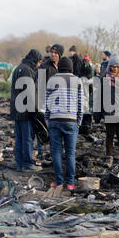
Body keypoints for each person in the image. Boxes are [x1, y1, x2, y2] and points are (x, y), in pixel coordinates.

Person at [45, 57, 84, 190]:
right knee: (70, 153)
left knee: (56, 152)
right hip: (71, 121)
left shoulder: (52, 80)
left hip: (55, 120)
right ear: (71, 67)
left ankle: (59, 182)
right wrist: (79, 120)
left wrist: (47, 119)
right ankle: (71, 183)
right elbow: (81, 103)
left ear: (59, 67)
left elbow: (48, 102)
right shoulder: (77, 81)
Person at [94, 53, 119, 168]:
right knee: (109, 135)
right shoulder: (104, 78)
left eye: (117, 66)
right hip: (108, 111)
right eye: (112, 66)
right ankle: (109, 157)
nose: (114, 68)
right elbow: (99, 97)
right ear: (109, 66)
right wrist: (97, 114)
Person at [10, 49, 43, 172]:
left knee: (19, 138)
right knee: (28, 138)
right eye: (39, 62)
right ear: (34, 60)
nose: (39, 65)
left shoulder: (18, 68)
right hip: (26, 110)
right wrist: (36, 111)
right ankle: (28, 164)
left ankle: (19, 163)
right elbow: (30, 93)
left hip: (17, 109)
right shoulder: (28, 70)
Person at [35, 44, 64, 160]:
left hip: (58, 102)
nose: (53, 54)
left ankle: (54, 153)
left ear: (60, 55)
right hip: (45, 101)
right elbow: (39, 85)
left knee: (55, 127)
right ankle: (41, 152)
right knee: (42, 127)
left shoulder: (62, 66)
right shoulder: (44, 66)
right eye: (52, 52)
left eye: (56, 53)